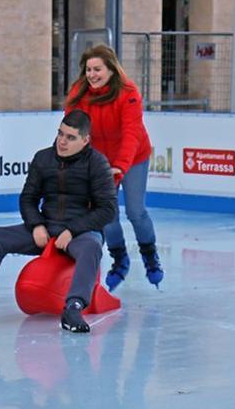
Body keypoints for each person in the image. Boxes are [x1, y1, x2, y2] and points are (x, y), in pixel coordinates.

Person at [0, 110, 116, 333]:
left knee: (92, 246)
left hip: (80, 233)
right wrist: (36, 224)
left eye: (70, 137)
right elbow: (28, 198)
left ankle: (74, 307)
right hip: (46, 226)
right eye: (60, 134)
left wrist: (72, 230)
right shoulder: (44, 158)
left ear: (85, 140)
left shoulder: (97, 164)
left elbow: (107, 209)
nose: (62, 141)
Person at [64, 44, 162, 291]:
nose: (92, 75)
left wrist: (119, 166)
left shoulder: (127, 92)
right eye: (88, 70)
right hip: (99, 161)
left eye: (98, 69)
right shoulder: (79, 93)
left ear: (111, 70)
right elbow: (72, 129)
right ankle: (120, 259)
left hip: (132, 157)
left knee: (135, 211)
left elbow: (132, 133)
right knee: (106, 214)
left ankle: (150, 255)